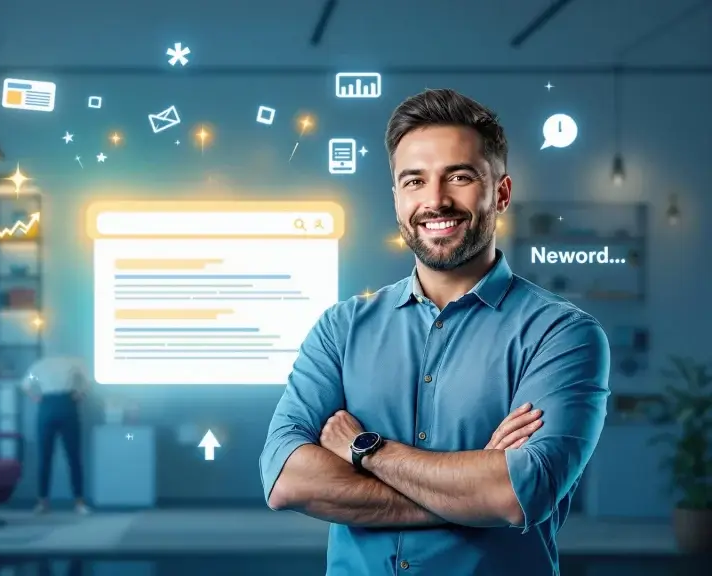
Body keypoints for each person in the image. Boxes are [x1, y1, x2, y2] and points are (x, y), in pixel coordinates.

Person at [260, 89, 610, 575]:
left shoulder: (562, 334)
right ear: (397, 198)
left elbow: (512, 496)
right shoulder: (341, 328)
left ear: (501, 193)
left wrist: (367, 450)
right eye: (414, 181)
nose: (435, 200)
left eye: (460, 177)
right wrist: (466, 496)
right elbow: (286, 481)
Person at [23, 353, 91, 514]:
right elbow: (89, 380)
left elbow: (26, 384)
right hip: (67, 403)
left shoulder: (40, 365)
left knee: (45, 457)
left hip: (48, 405)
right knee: (73, 456)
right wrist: (80, 394)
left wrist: (35, 398)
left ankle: (43, 502)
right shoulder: (75, 361)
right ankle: (78, 503)